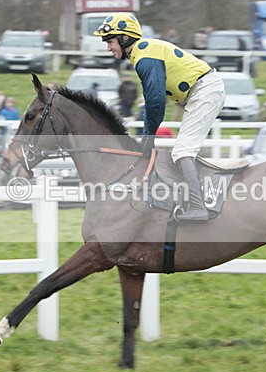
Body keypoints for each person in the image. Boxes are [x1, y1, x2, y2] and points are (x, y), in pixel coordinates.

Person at [94, 12, 225, 221]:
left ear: (124, 38)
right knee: (182, 150)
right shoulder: (143, 53)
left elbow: (155, 103)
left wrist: (148, 137)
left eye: (110, 42)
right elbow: (152, 102)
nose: (108, 48)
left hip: (204, 91)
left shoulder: (145, 57)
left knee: (183, 151)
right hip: (201, 91)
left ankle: (199, 207)